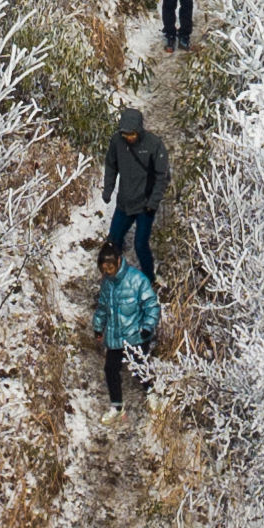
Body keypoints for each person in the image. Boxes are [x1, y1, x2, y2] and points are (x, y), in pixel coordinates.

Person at [101, 100, 170, 276]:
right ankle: (113, 277)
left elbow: (162, 176)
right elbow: (111, 166)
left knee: (140, 244)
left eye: (131, 134)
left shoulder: (154, 144)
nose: (128, 137)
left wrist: (153, 202)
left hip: (145, 205)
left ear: (139, 130)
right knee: (112, 241)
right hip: (124, 202)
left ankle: (149, 278)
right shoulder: (117, 142)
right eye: (125, 134)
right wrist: (108, 189)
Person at [95, 240, 162, 408]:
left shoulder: (137, 280)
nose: (108, 272)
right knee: (110, 370)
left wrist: (147, 327)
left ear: (119, 260)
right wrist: (98, 326)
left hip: (136, 336)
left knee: (140, 368)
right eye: (104, 269)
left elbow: (151, 306)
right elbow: (102, 307)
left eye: (110, 267)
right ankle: (116, 406)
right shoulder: (106, 283)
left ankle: (153, 395)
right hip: (114, 335)